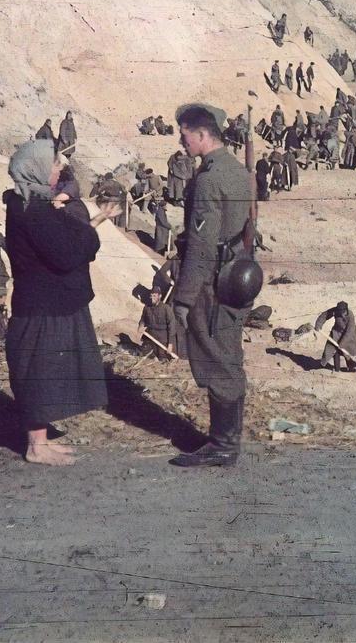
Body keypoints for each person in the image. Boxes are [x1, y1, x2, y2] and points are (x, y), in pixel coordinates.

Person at [4, 140, 118, 466]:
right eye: (54, 164)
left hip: (47, 303)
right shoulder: (34, 210)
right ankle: (35, 447)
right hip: (43, 306)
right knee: (40, 373)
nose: (58, 169)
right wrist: (90, 234)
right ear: (37, 168)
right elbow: (66, 252)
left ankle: (39, 441)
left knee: (45, 371)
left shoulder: (29, 203)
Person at [170, 103, 256, 468]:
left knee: (217, 359)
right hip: (238, 276)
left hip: (212, 283)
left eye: (185, 133)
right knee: (230, 355)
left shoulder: (208, 179)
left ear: (202, 134)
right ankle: (226, 440)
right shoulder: (238, 171)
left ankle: (223, 445)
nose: (181, 140)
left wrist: (185, 298)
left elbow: (202, 245)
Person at [139, 287, 186, 360]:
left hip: (163, 337)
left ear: (159, 296)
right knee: (144, 351)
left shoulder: (166, 308)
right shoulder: (147, 308)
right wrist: (141, 325)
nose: (152, 298)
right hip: (151, 336)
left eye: (154, 296)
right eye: (151, 296)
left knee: (163, 357)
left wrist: (170, 344)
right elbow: (143, 319)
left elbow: (172, 326)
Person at [314, 300, 356, 372]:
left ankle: (353, 368)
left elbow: (350, 331)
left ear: (346, 310)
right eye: (340, 313)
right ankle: (332, 368)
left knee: (349, 352)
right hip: (336, 333)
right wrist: (318, 324)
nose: (341, 314)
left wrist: (342, 344)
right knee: (331, 350)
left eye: (343, 313)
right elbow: (324, 315)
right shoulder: (335, 310)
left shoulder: (350, 315)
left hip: (349, 336)